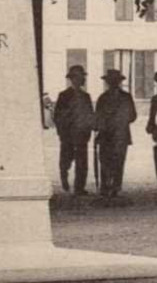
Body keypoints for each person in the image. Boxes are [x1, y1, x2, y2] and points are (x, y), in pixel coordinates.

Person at [94, 68, 137, 197]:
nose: (113, 83)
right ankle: (105, 186)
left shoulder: (126, 97)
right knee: (105, 161)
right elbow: (97, 116)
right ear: (107, 82)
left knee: (119, 161)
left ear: (119, 82)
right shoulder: (102, 98)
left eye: (115, 81)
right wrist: (100, 126)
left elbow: (133, 115)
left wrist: (120, 121)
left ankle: (116, 187)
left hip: (120, 134)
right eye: (111, 81)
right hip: (106, 134)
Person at [53, 66, 95, 196]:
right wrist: (62, 132)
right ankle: (64, 177)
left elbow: (90, 114)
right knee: (66, 159)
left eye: (83, 77)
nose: (83, 79)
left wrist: (91, 126)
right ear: (73, 79)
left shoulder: (86, 96)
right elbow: (57, 116)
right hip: (68, 134)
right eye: (80, 77)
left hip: (82, 134)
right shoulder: (64, 96)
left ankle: (79, 187)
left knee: (82, 162)